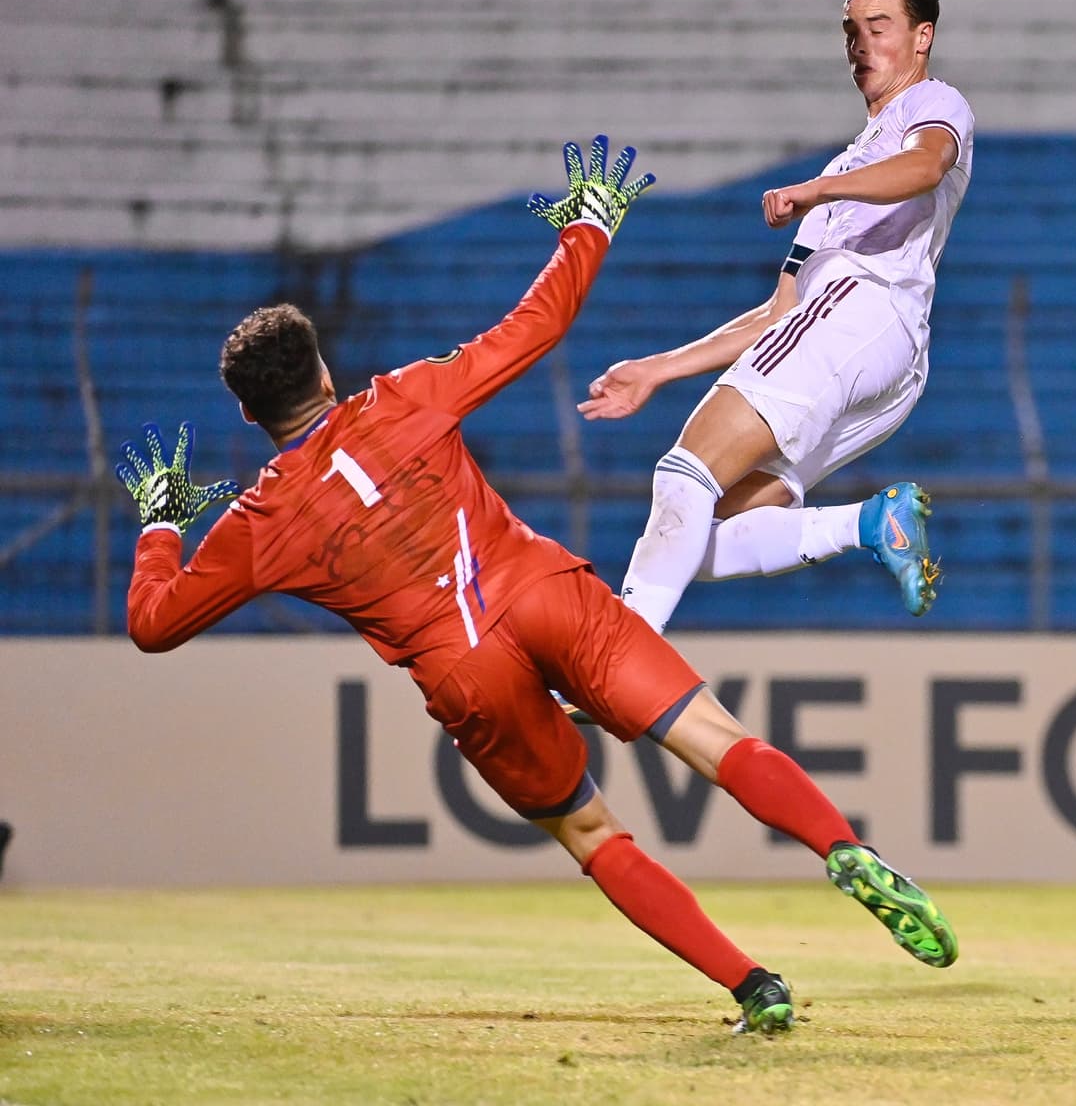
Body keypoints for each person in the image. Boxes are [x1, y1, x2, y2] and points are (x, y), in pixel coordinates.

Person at [116, 137, 957, 1037]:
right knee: (716, 741)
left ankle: (755, 987)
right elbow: (536, 327)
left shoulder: (257, 524)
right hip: (542, 593)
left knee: (594, 836)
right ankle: (844, 847)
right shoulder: (404, 397)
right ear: (325, 372)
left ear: (250, 416)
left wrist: (162, 524)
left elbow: (154, 625)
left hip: (466, 672)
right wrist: (588, 228)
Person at [578, 0, 974, 636]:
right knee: (696, 536)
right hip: (877, 356)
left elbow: (926, 166)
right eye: (851, 30)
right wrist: (659, 369)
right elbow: (777, 315)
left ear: (922, 37)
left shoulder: (931, 105)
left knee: (683, 472)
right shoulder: (845, 171)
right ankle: (868, 523)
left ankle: (610, 658)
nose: (862, 44)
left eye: (880, 26)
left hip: (864, 312)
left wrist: (815, 191)